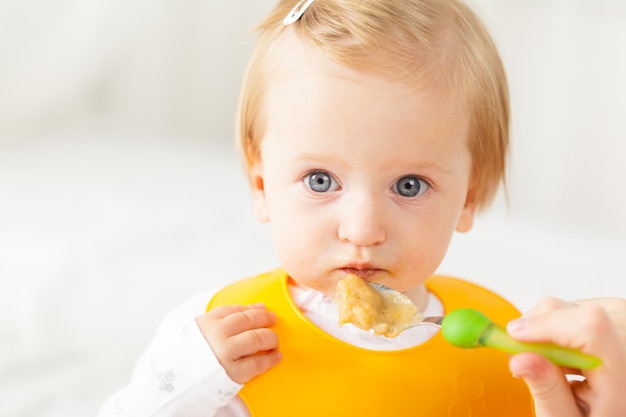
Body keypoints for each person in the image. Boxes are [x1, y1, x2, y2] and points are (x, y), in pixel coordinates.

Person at [98, 0, 626, 416]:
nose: (363, 229)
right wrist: (185, 380)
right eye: (321, 180)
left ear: (468, 197)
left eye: (411, 185)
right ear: (262, 186)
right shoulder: (217, 346)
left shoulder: (501, 342)